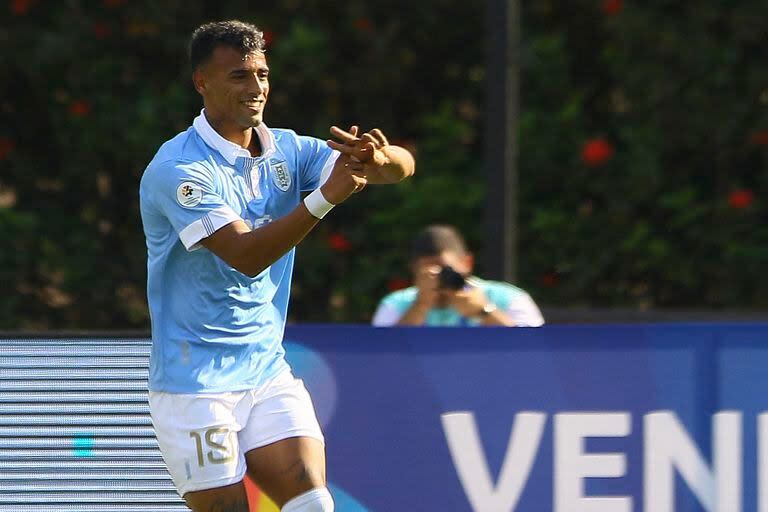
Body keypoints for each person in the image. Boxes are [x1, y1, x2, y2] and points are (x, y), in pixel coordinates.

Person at [139, 20, 414, 512]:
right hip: (195, 384)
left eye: (262, 75)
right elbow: (246, 256)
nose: (257, 88)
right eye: (240, 77)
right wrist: (325, 200)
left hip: (265, 369)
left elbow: (401, 168)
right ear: (202, 82)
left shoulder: (286, 148)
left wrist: (377, 159)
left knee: (314, 504)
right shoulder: (179, 169)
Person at [371, 225, 544, 327]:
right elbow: (383, 359)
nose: (438, 280)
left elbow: (537, 353)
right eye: (428, 273)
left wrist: (484, 311)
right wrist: (420, 306)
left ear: (467, 263)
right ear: (414, 270)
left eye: (446, 270)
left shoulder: (509, 298)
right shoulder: (395, 305)